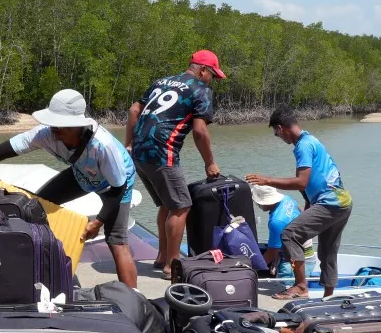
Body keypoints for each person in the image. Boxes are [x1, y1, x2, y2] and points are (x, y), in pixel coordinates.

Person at [0, 89, 139, 288]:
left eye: (59, 124)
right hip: (82, 173)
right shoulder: (45, 135)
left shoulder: (102, 146)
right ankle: (35, 267)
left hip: (116, 183)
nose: (53, 128)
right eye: (51, 122)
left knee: (116, 241)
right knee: (35, 209)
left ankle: (133, 299)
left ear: (77, 126)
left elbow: (118, 186)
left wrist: (98, 221)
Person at [125, 50, 224, 275]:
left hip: (139, 152)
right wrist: (210, 163)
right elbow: (200, 131)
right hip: (163, 152)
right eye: (213, 76)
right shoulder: (201, 89)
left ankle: (162, 257)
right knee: (181, 206)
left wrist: (129, 144)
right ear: (203, 70)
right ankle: (173, 265)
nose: (213, 81)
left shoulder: (161, 81)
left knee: (167, 205)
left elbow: (134, 110)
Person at [246, 105, 352, 299]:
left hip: (329, 203)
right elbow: (312, 183)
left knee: (289, 235)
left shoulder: (302, 146)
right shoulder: (311, 140)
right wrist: (309, 209)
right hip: (342, 203)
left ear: (280, 128)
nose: (279, 138)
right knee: (327, 251)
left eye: (277, 134)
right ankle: (328, 296)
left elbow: (301, 181)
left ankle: (301, 286)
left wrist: (266, 180)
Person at [250, 184, 317, 280]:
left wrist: (251, 269)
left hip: (292, 265)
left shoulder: (276, 222)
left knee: (289, 291)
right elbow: (301, 213)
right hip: (308, 255)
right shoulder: (287, 199)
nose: (257, 204)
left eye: (256, 202)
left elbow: (271, 253)